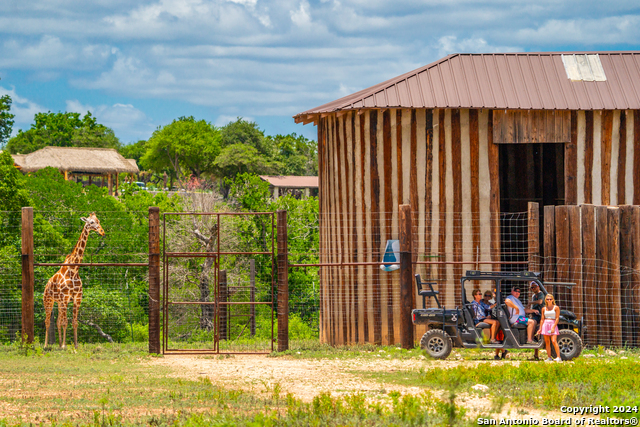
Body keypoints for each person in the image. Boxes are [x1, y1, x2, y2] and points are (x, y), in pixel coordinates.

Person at [483, 291, 508, 360]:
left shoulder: (495, 304)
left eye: (489, 295)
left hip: (496, 322)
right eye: (486, 295)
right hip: (491, 322)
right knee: (496, 339)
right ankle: (502, 351)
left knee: (497, 339)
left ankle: (498, 354)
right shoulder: (482, 303)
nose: (487, 297)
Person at [538, 293, 562, 362]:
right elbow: (542, 319)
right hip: (546, 324)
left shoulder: (556, 307)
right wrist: (540, 328)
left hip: (552, 324)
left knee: (554, 341)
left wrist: (553, 327)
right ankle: (549, 357)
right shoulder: (543, 308)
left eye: (550, 299)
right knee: (547, 341)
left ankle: (558, 357)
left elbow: (557, 318)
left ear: (553, 300)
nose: (549, 300)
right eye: (547, 299)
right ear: (546, 300)